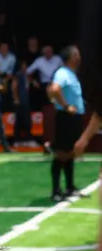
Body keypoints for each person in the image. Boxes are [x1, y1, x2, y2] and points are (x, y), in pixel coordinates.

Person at [47, 45, 86, 201]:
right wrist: (65, 106)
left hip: (74, 118)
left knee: (70, 152)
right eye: (76, 54)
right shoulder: (62, 73)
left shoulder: (71, 74)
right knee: (62, 154)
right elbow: (54, 89)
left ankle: (70, 187)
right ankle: (56, 191)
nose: (79, 57)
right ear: (70, 57)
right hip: (66, 118)